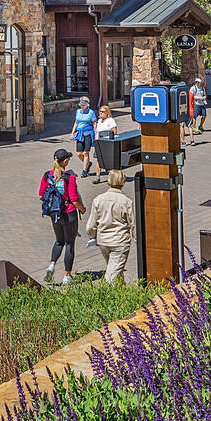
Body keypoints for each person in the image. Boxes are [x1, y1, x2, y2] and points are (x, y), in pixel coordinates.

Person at [39, 149, 84, 285]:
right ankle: (67, 276)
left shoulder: (47, 176)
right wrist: (82, 209)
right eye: (68, 159)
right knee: (69, 244)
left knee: (59, 241)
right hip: (69, 213)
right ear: (65, 161)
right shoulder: (69, 177)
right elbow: (74, 199)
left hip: (55, 214)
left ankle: (51, 265)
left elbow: (41, 195)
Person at [85, 170, 135, 283]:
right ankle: (106, 296)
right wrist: (137, 239)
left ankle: (121, 294)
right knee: (112, 276)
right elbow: (133, 224)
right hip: (120, 241)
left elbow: (90, 226)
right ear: (123, 182)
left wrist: (93, 236)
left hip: (103, 242)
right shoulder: (127, 202)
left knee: (116, 270)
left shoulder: (98, 200)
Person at [70, 96, 96, 176]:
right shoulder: (78, 111)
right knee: (79, 153)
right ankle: (88, 163)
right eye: (81, 104)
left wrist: (96, 134)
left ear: (87, 104)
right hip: (80, 134)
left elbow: (94, 123)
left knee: (85, 153)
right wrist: (72, 132)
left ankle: (84, 171)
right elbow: (76, 122)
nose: (82, 106)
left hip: (88, 133)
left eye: (83, 104)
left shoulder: (91, 112)